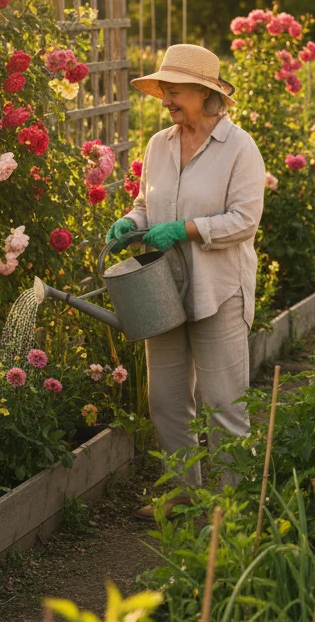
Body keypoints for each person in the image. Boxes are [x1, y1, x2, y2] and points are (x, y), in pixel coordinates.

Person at [107, 44, 266, 519]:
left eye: (174, 91)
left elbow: (245, 220)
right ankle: (182, 494)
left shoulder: (239, 147)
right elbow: (145, 202)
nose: (166, 99)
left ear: (203, 93)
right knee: (167, 400)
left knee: (223, 404)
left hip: (219, 289)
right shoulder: (160, 144)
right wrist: (129, 221)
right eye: (164, 91)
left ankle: (234, 506)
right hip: (162, 290)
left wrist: (187, 230)